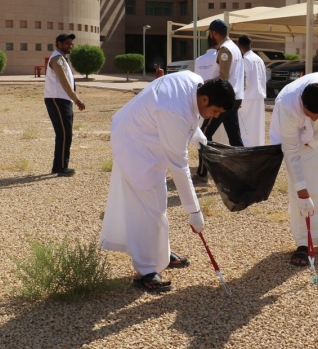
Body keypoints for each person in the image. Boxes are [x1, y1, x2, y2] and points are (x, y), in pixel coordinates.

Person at [100, 73, 236, 292]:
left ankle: (160, 254)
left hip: (147, 136)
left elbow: (188, 116)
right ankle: (146, 270)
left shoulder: (194, 81)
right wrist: (194, 210)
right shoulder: (174, 110)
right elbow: (180, 166)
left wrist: (197, 133)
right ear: (205, 99)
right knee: (148, 209)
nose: (214, 117)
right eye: (215, 111)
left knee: (158, 203)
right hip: (135, 146)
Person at [270, 72, 318, 265]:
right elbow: (291, 151)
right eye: (310, 115)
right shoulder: (287, 106)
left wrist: (314, 138)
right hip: (296, 143)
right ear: (302, 104)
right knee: (300, 192)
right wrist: (302, 192)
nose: (315, 119)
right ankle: (303, 243)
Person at [195, 19, 244, 184]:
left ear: (213, 33)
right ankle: (244, 172)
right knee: (235, 137)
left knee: (204, 134)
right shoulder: (236, 48)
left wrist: (207, 84)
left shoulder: (224, 49)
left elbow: (224, 77)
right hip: (234, 97)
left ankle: (202, 174)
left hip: (223, 98)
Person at [44, 33, 85, 177]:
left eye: (71, 43)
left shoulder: (62, 58)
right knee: (65, 133)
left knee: (64, 133)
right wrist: (76, 99)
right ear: (59, 43)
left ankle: (59, 166)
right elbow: (64, 81)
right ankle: (61, 167)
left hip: (62, 100)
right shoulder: (57, 59)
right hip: (57, 99)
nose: (70, 46)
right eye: (67, 43)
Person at [237, 35, 267, 147]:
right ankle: (258, 147)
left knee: (245, 127)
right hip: (259, 97)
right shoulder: (259, 59)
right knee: (257, 126)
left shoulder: (245, 60)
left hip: (247, 97)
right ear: (251, 45)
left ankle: (247, 149)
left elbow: (245, 81)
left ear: (239, 47)